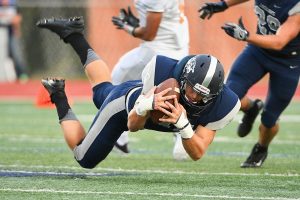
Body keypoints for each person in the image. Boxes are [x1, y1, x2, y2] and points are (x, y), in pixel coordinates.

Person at [36, 16, 240, 168]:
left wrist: (184, 126)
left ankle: (74, 34)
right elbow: (132, 126)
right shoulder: (162, 71)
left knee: (101, 91)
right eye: (191, 89)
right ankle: (58, 95)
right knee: (84, 158)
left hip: (142, 103)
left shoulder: (224, 103)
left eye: (203, 95)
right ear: (183, 78)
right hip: (124, 107)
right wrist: (145, 106)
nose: (195, 97)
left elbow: (198, 152)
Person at [199, 0, 300, 167]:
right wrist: (223, 5)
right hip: (258, 52)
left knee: (269, 119)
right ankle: (251, 108)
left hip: (288, 63)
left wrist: (246, 36)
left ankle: (261, 148)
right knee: (228, 94)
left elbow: (279, 41)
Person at [111, 0, 190, 159]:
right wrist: (141, 23)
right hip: (180, 48)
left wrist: (130, 28)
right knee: (173, 93)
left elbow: (149, 34)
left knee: (118, 78)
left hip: (158, 50)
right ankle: (182, 133)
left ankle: (119, 137)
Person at [0, 0, 28, 82]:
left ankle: (22, 74)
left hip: (11, 33)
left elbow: (18, 18)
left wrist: (13, 23)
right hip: (1, 34)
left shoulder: (13, 5)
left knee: (16, 54)